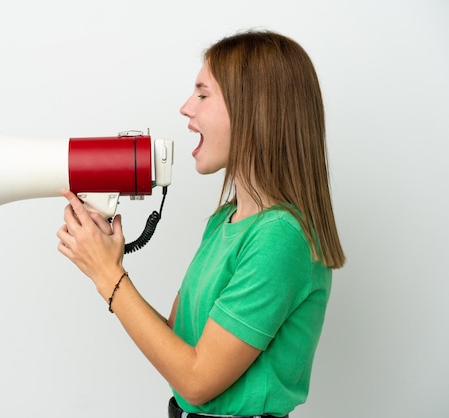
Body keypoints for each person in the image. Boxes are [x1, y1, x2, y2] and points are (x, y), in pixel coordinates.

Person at [56, 29, 345, 418]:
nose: (186, 108)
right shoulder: (226, 220)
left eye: (203, 95)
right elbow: (180, 344)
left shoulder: (280, 238)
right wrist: (106, 267)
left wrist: (109, 277)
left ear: (253, 109)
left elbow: (196, 379)